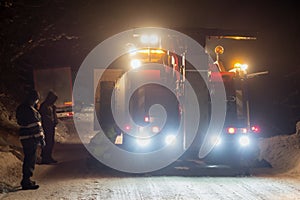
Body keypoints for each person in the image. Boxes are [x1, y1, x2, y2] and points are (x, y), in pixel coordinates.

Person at [16, 89, 46, 190]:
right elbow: (35, 126)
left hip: (25, 137)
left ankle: (27, 179)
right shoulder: (30, 110)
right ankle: (26, 181)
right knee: (30, 159)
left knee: (28, 158)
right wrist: (41, 138)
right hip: (31, 138)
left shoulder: (21, 108)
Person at [39, 91, 58, 164]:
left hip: (51, 127)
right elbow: (44, 117)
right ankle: (45, 158)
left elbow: (53, 116)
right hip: (46, 127)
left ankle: (49, 157)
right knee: (47, 142)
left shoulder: (52, 106)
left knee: (51, 142)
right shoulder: (44, 106)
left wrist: (55, 121)